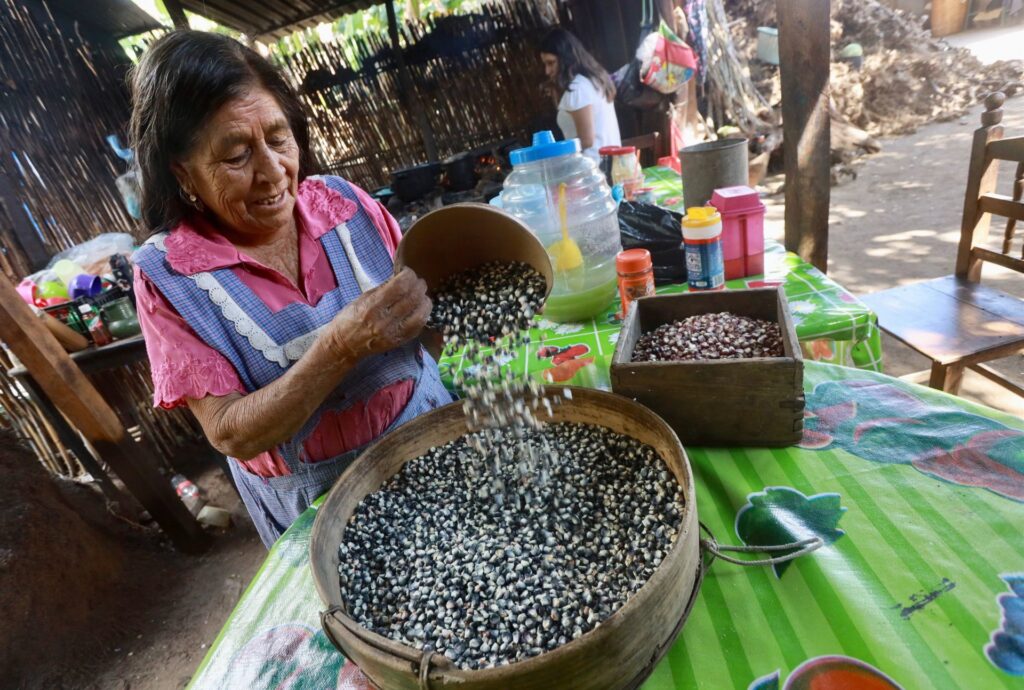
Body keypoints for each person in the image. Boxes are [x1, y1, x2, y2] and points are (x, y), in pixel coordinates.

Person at [129, 31, 451, 547]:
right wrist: (340, 346)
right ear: (182, 172)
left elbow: (427, 325)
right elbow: (231, 431)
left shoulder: (344, 204)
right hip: (321, 508)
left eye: (279, 140)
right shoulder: (169, 277)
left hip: (432, 438)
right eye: (236, 156)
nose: (274, 171)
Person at [539, 28, 621, 160]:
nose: (547, 71)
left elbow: (586, 140)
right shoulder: (592, 80)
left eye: (551, 63)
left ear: (565, 58)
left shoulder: (578, 88)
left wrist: (554, 153)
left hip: (594, 170)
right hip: (609, 164)